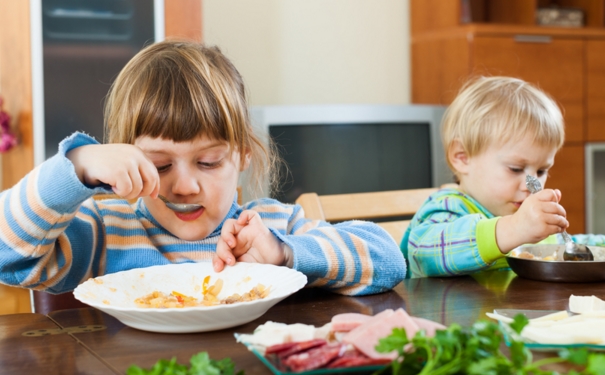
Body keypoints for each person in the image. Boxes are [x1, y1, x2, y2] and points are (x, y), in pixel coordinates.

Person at [0, 40, 405, 295]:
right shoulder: (105, 231)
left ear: (243, 155)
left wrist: (285, 254)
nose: (186, 186)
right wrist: (76, 166)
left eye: (208, 162)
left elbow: (389, 261)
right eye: (159, 166)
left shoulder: (267, 226)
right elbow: (8, 258)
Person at [401, 76, 571, 278]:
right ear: (462, 157)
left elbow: (567, 247)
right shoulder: (448, 208)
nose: (531, 185)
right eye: (515, 169)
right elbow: (423, 253)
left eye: (541, 171)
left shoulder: (530, 219)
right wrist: (513, 229)